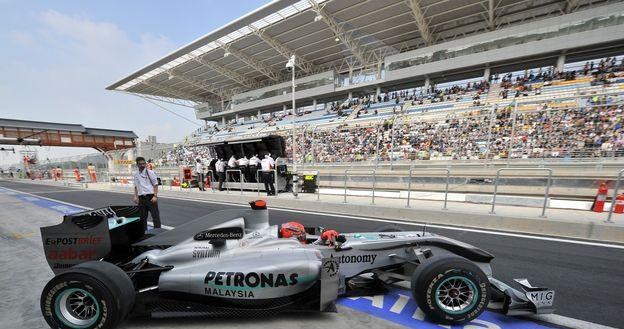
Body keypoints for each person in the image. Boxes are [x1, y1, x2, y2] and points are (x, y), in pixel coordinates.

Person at [133, 156, 161, 230]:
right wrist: (135, 196)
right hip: (141, 198)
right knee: (142, 217)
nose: (142, 165)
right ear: (137, 165)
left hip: (150, 196)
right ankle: (144, 232)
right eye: (140, 164)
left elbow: (155, 184)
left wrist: (155, 196)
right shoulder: (136, 174)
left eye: (143, 163)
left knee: (155, 216)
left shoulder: (150, 172)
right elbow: (136, 186)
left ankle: (158, 231)